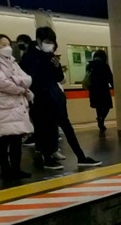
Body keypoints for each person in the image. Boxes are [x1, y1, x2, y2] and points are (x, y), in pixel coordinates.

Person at [21, 26, 100, 170]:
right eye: (47, 41)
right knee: (45, 129)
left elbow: (58, 78)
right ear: (38, 40)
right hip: (40, 100)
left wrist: (57, 66)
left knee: (66, 128)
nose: (50, 45)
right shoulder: (29, 57)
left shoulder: (49, 56)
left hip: (55, 98)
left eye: (52, 42)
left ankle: (80, 156)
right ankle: (48, 158)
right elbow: (30, 80)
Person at [0, 34, 33, 179]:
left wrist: (14, 79)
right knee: (4, 139)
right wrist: (20, 88)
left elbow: (28, 79)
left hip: (17, 106)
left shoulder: (13, 63)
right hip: (3, 107)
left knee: (16, 140)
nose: (8, 47)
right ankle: (5, 170)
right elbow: (2, 83)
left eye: (8, 44)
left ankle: (16, 169)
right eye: (3, 44)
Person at [85, 49, 113, 134]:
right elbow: (110, 77)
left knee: (98, 107)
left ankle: (101, 122)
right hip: (103, 89)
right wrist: (114, 86)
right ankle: (101, 119)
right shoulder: (104, 65)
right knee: (107, 106)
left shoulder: (90, 65)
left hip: (93, 90)